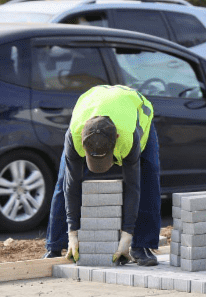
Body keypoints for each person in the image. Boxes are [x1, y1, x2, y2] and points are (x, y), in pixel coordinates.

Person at [43, 85, 162, 266]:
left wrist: (125, 239)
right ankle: (56, 245)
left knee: (149, 175)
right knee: (64, 180)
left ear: (116, 139)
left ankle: (142, 246)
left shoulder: (129, 136)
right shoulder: (75, 135)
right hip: (94, 103)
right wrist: (73, 234)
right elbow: (72, 187)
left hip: (135, 112)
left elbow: (133, 187)